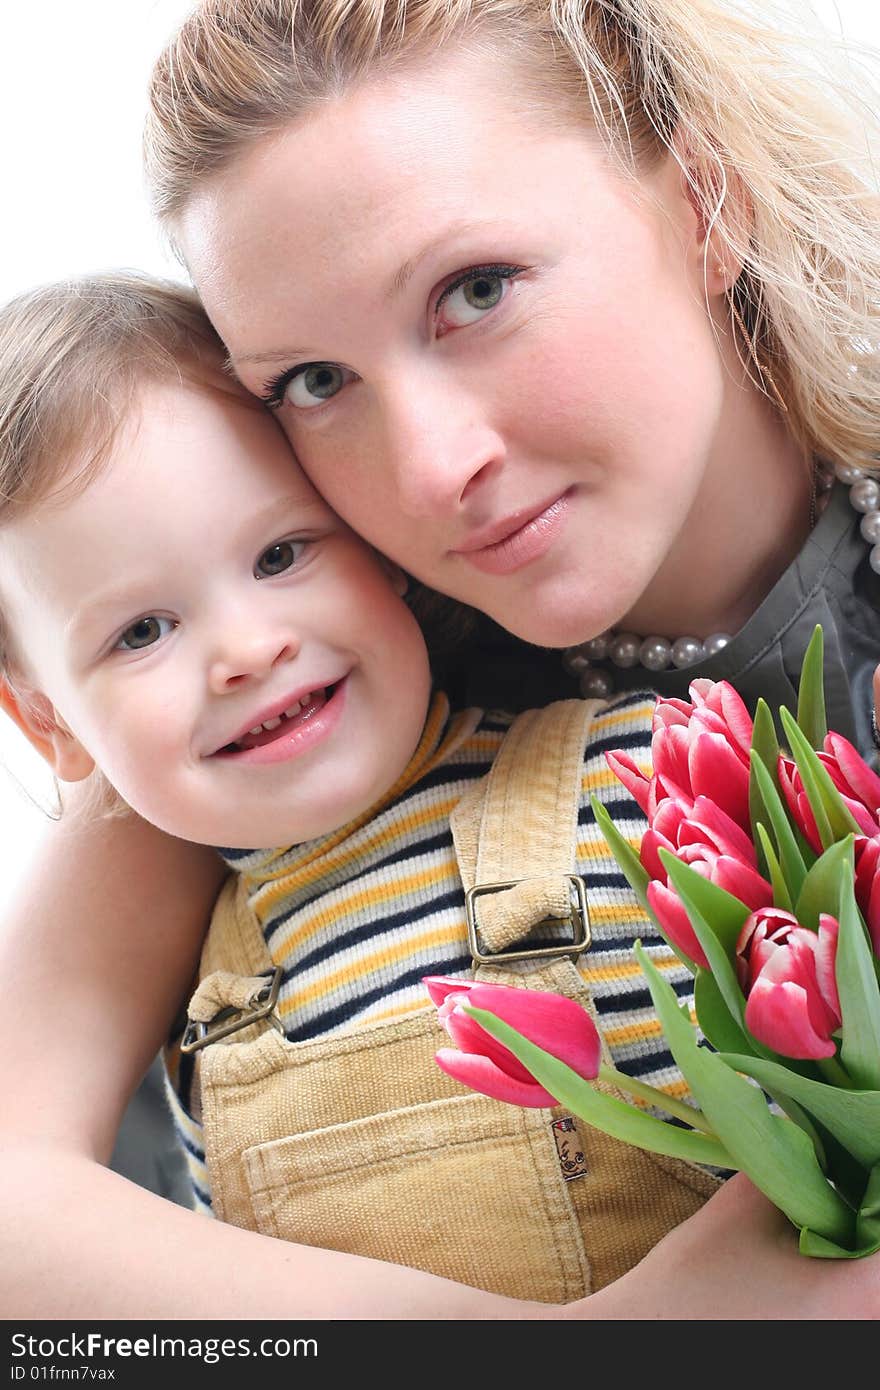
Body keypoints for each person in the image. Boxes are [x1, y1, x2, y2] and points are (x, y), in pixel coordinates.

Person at [0, 0, 877, 1317]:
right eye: (310, 379)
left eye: (476, 293)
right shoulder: (300, 712)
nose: (427, 469)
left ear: (709, 200)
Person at [0, 271, 719, 1312]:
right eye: (141, 632)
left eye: (283, 553)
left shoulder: (646, 776)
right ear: (53, 725)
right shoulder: (177, 985)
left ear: (380, 547)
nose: (246, 649)